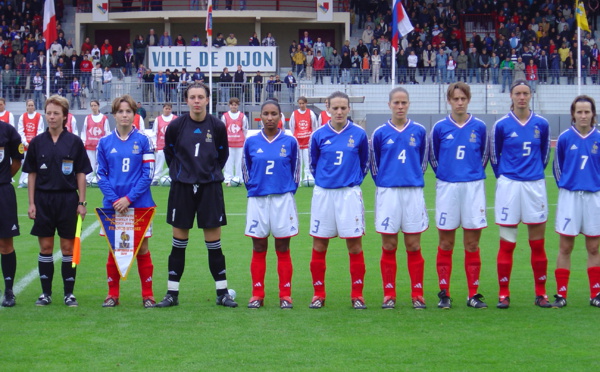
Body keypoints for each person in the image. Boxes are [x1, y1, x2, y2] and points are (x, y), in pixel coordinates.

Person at [156, 82, 237, 308]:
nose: (197, 101)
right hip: (182, 188)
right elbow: (169, 153)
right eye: (193, 97)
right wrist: (184, 174)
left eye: (201, 97)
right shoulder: (176, 126)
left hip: (210, 188)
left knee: (214, 244)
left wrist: (206, 174)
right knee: (178, 243)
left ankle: (222, 293)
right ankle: (172, 294)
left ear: (208, 99)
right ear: (187, 100)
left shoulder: (218, 126)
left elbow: (222, 155)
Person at [23, 95, 92, 307]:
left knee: (67, 248)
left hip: (67, 200)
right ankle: (46, 294)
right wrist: (31, 203)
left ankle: (68, 294)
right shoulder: (36, 142)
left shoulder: (74, 142)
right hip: (43, 200)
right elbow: (31, 174)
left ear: (65, 116)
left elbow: (81, 173)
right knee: (45, 248)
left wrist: (81, 202)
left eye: (56, 113)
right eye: (49, 113)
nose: (51, 117)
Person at [490, 80, 551, 309]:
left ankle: (541, 293)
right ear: (511, 96)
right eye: (518, 93)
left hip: (534, 185)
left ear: (531, 95)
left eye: (526, 93)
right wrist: (506, 176)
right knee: (507, 244)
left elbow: (544, 154)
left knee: (538, 244)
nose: (522, 97)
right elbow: (494, 156)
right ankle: (504, 293)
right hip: (509, 186)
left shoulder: (542, 124)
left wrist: (533, 173)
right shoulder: (502, 125)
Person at [429, 82, 488, 309]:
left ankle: (473, 294)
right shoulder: (440, 128)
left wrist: (470, 174)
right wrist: (447, 175)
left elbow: (484, 155)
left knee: (472, 244)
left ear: (468, 99)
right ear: (449, 101)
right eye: (456, 99)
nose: (460, 102)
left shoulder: (480, 127)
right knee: (446, 242)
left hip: (473, 187)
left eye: (463, 98)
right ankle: (444, 293)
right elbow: (433, 157)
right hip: (447, 187)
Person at [308, 91, 369, 310]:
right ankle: (318, 294)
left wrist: (351, 181)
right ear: (328, 108)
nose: (340, 112)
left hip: (349, 194)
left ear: (349, 109)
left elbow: (365, 163)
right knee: (319, 244)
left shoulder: (359, 134)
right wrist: (328, 181)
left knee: (354, 245)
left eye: (343, 108)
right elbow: (313, 164)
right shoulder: (318, 135)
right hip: (324, 194)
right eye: (335, 108)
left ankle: (357, 295)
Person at [370, 87, 428, 310]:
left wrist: (411, 177)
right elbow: (374, 165)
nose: (400, 106)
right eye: (396, 103)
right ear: (389, 105)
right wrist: (385, 181)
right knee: (389, 244)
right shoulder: (380, 133)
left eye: (404, 102)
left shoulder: (420, 131)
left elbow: (423, 161)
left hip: (412, 192)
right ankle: (389, 294)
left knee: (413, 245)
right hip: (388, 192)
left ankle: (418, 294)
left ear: (409, 104)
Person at [97, 95, 157, 308]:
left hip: (140, 204)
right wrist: (115, 200)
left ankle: (147, 295)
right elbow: (100, 175)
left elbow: (148, 174)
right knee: (114, 248)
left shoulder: (144, 140)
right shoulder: (104, 142)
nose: (124, 115)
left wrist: (128, 198)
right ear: (114, 115)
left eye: (128, 111)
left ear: (134, 114)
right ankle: (112, 294)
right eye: (120, 111)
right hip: (113, 207)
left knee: (142, 248)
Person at [242, 100, 300, 309]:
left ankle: (285, 295)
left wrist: (285, 190)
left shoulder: (290, 142)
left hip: (282, 199)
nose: (269, 118)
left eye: (274, 113)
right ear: (260, 117)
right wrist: (255, 188)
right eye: (265, 114)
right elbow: (246, 170)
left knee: (282, 246)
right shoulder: (251, 142)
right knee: (258, 246)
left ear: (280, 116)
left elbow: (296, 171)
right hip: (258, 199)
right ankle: (257, 293)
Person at [0, 114, 24, 307]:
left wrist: (4, 177)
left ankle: (9, 291)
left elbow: (17, 160)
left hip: (3, 192)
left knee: (5, 244)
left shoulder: (8, 131)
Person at [288, 96, 317, 182]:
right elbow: (292, 126)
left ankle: (308, 178)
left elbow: (314, 125)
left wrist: (311, 136)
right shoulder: (294, 113)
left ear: (306, 103)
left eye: (303, 103)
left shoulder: (310, 113)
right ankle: (298, 178)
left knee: (307, 160)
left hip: (307, 141)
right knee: (299, 160)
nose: (301, 105)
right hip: (298, 141)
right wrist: (296, 135)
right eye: (300, 103)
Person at [17, 99, 45, 188]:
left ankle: (35, 181)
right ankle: (23, 181)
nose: (30, 107)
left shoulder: (38, 116)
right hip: (25, 145)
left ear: (34, 106)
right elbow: (20, 131)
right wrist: (25, 142)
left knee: (35, 162)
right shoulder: (22, 117)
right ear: (26, 106)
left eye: (32, 105)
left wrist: (34, 143)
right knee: (25, 162)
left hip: (35, 145)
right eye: (29, 105)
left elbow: (40, 130)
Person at [81, 100, 110, 184]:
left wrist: (106, 144)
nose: (93, 107)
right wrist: (83, 142)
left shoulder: (104, 118)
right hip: (89, 144)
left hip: (100, 145)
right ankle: (88, 179)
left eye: (95, 105)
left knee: (100, 162)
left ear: (98, 106)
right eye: (92, 106)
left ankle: (99, 179)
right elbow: (84, 130)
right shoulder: (88, 118)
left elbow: (107, 132)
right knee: (90, 163)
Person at [221, 98, 248, 186]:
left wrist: (244, 140)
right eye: (232, 104)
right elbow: (223, 130)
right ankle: (228, 180)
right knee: (228, 163)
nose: (234, 106)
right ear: (229, 105)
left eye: (235, 105)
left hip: (239, 143)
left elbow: (244, 129)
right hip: (228, 143)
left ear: (238, 105)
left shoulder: (242, 116)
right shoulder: (225, 116)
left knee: (239, 163)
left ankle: (239, 179)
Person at [150, 103, 177, 185]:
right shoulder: (158, 119)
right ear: (163, 109)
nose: (167, 110)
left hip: (172, 146)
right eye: (166, 108)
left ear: (171, 109)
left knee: (174, 163)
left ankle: (175, 179)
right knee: (159, 164)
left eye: (169, 109)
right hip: (161, 145)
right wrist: (154, 145)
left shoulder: (175, 119)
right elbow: (154, 133)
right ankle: (155, 179)